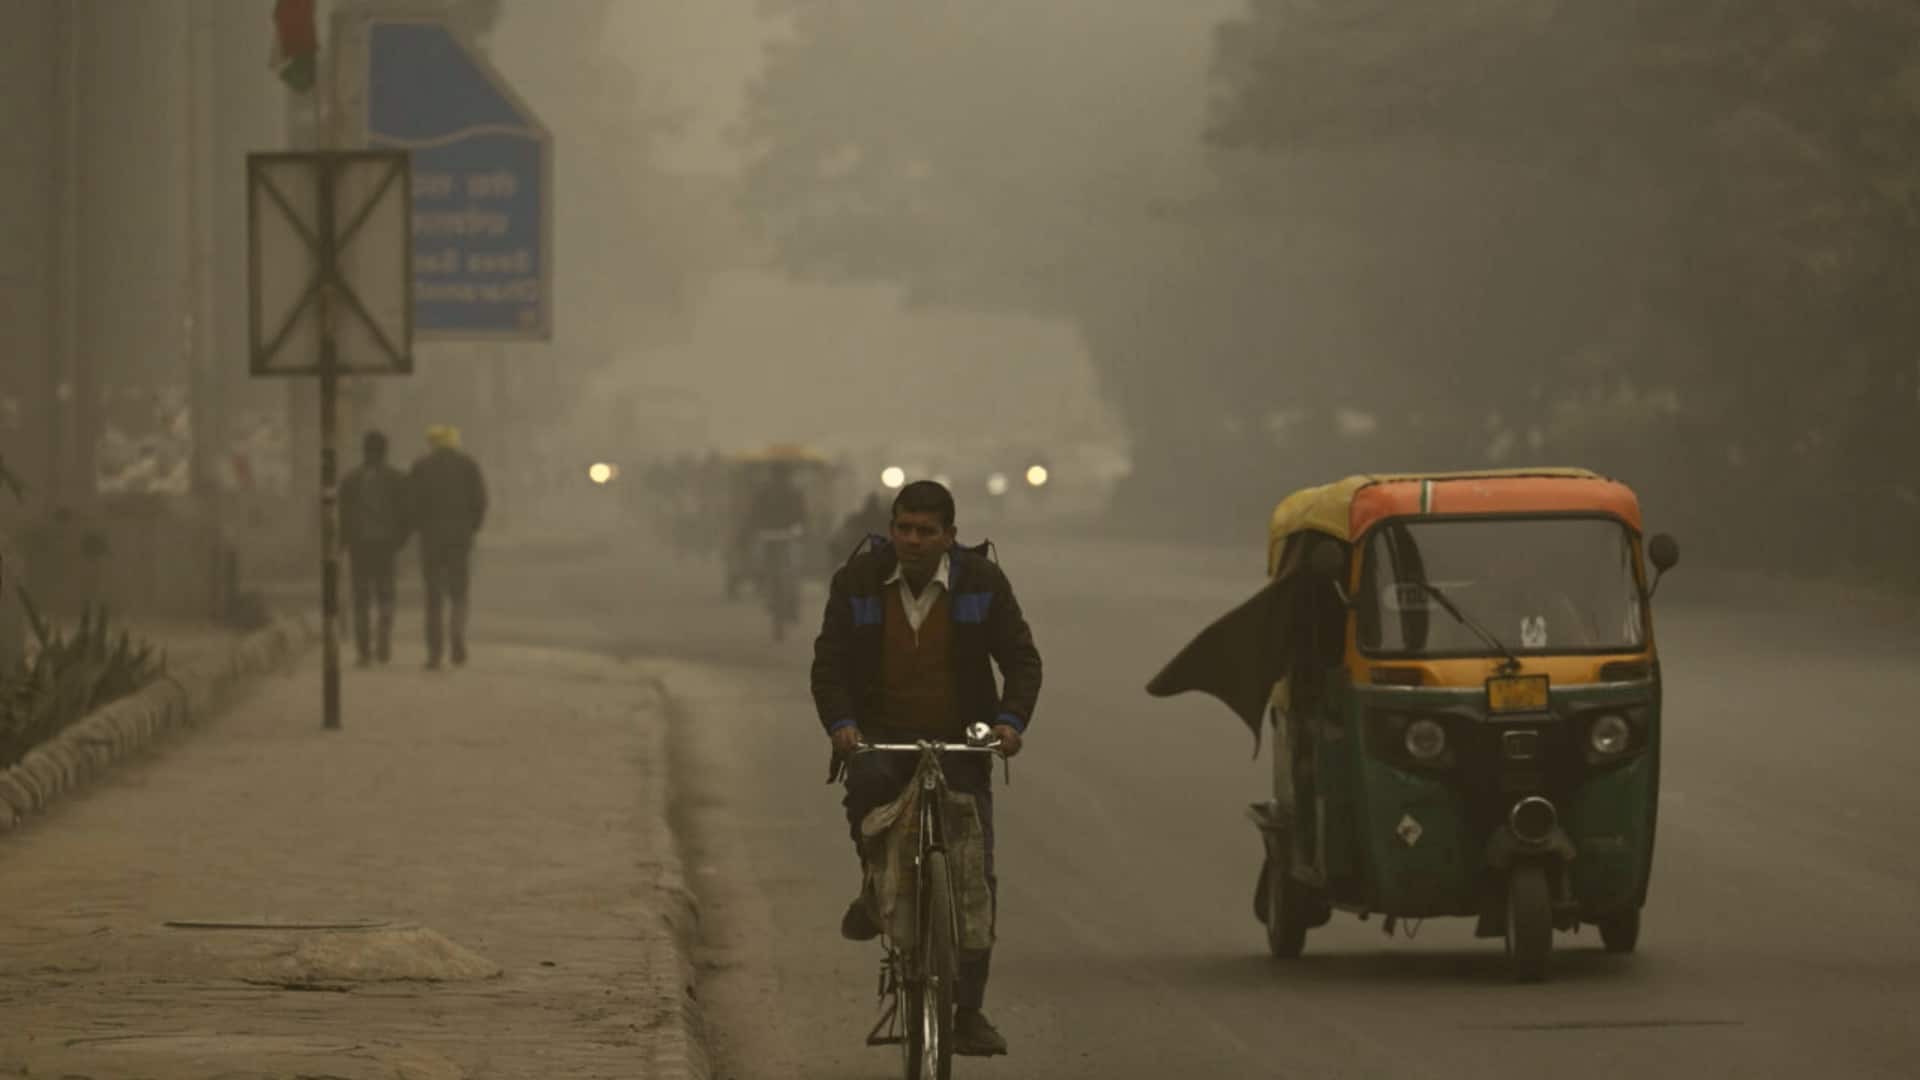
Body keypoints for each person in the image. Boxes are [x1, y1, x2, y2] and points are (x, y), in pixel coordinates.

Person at [810, 480, 1042, 1058]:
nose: (912, 540)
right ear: (891, 529)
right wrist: (842, 725)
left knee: (972, 881)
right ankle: (873, 889)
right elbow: (829, 664)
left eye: (925, 531)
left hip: (962, 740)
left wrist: (1011, 723)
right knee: (867, 803)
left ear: (949, 537)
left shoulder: (983, 583)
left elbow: (1020, 658)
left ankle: (967, 1012)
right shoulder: (858, 580)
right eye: (903, 528)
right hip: (880, 738)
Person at [408, 424, 488, 670]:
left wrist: (418, 527)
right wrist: (472, 527)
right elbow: (480, 501)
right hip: (460, 538)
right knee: (459, 592)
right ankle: (457, 638)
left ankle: (434, 653)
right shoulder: (468, 466)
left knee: (433, 596)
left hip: (431, 539)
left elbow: (410, 502)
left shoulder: (421, 467)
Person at [339, 430, 411, 666]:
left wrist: (342, 542)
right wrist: (400, 539)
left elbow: (342, 516)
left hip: (359, 545)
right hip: (385, 545)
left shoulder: (350, 480)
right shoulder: (397, 479)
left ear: (364, 451)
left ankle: (363, 652)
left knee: (361, 597)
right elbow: (405, 514)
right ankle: (383, 635)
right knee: (386, 593)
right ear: (385, 451)